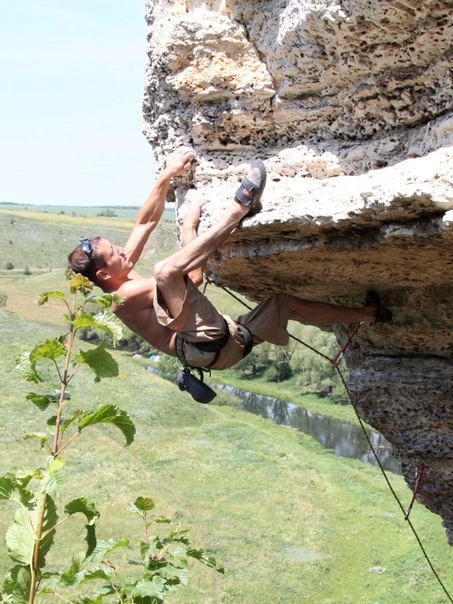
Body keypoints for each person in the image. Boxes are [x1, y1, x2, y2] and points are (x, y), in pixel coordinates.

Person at [68, 146, 391, 380]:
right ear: (104, 273)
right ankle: (239, 210)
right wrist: (188, 227)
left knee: (285, 304)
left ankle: (368, 315)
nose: (124, 250)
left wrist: (167, 173)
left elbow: (144, 224)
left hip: (226, 340)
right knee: (165, 271)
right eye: (115, 252)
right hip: (207, 346)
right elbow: (191, 278)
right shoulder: (121, 298)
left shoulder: (120, 274)